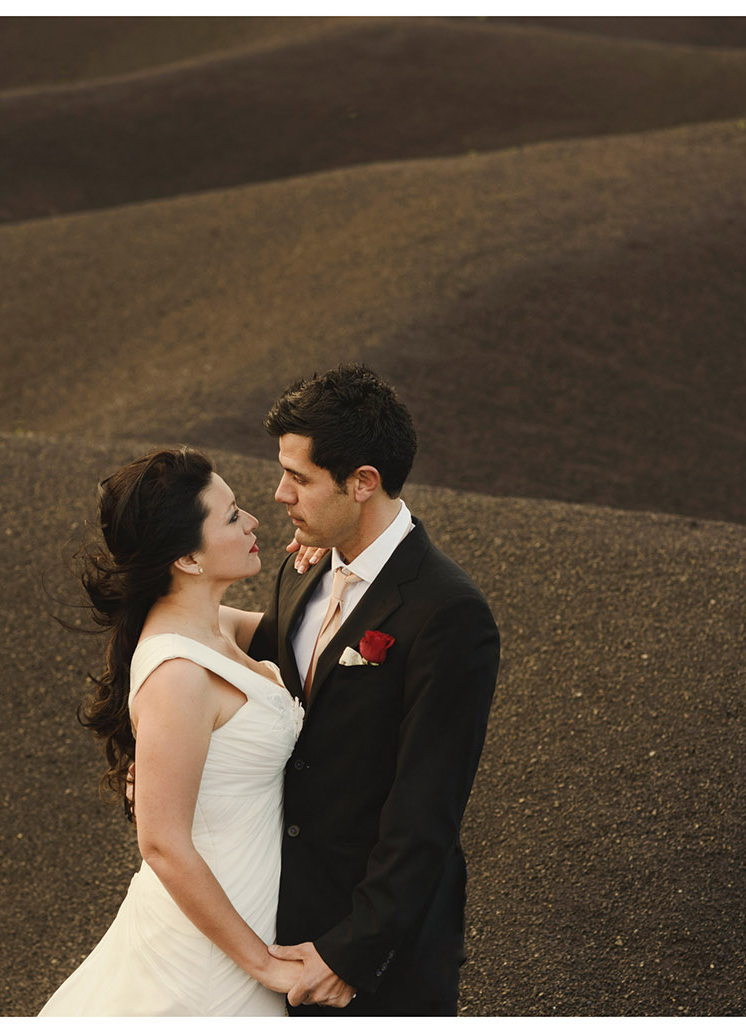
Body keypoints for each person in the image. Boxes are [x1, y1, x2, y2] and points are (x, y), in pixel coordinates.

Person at [248, 363, 500, 1016]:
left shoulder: (448, 613)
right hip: (281, 929)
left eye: (299, 478)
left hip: (381, 959)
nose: (279, 494)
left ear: (363, 482)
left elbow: (426, 809)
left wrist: (351, 953)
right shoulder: (298, 569)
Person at [39, 446, 307, 1015]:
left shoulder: (213, 630)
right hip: (210, 958)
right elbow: (161, 841)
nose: (255, 522)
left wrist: (329, 563)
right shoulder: (178, 675)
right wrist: (261, 962)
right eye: (233, 516)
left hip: (242, 917)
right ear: (187, 557)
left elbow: (319, 636)